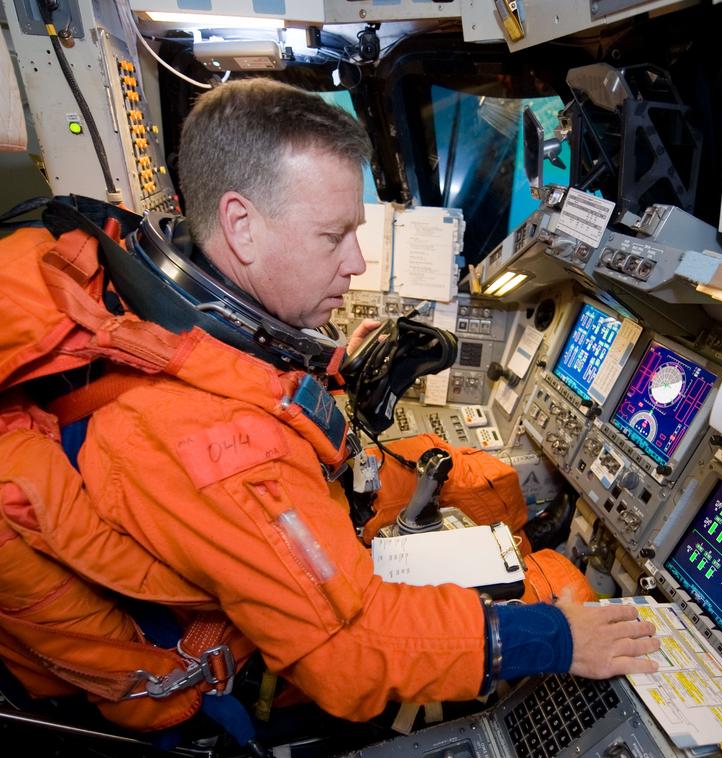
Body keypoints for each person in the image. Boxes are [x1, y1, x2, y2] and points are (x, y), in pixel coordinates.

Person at [56, 77, 660, 721]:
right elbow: (348, 652)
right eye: (332, 236)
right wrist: (558, 638)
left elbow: (260, 388)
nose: (354, 261)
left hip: (302, 519)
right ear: (241, 226)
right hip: (267, 669)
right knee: (557, 585)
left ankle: (517, 538)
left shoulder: (178, 318)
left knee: (474, 473)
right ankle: (532, 564)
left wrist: (341, 371)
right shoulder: (222, 450)